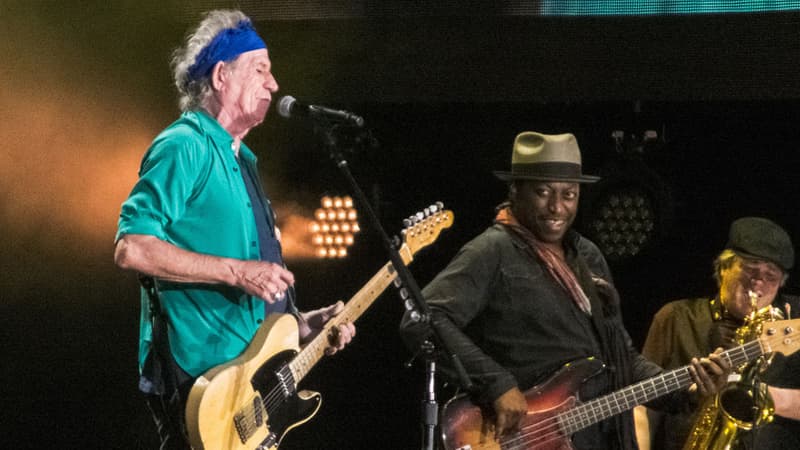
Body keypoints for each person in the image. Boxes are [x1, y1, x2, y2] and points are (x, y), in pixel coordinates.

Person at [114, 10, 355, 449]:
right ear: (222, 75)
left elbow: (253, 301)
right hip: (201, 381)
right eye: (260, 69)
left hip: (245, 387)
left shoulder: (242, 162)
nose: (274, 84)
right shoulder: (185, 145)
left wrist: (301, 325)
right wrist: (237, 271)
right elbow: (133, 247)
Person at [399, 131, 730, 450]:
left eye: (568, 194)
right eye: (543, 192)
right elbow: (423, 318)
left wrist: (687, 387)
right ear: (515, 191)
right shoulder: (492, 250)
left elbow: (620, 357)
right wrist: (496, 384)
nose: (557, 207)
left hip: (597, 436)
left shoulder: (587, 256)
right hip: (519, 437)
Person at [636, 217, 800, 450]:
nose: (758, 284)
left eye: (770, 277)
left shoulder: (793, 320)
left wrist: (757, 395)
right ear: (724, 268)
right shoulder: (676, 317)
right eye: (749, 270)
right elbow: (643, 405)